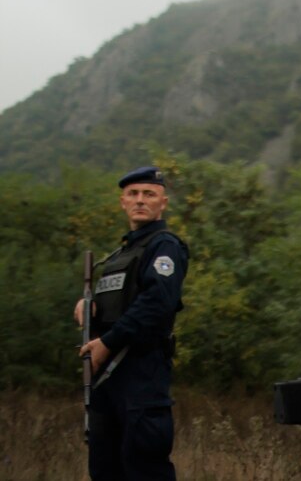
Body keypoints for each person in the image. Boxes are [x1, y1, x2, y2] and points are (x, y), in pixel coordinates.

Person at [75, 166, 189, 481]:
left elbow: (157, 303)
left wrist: (108, 343)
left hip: (142, 375)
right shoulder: (118, 256)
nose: (140, 200)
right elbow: (119, 304)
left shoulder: (164, 246)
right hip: (107, 382)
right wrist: (89, 308)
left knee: (144, 469)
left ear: (163, 203)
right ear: (123, 201)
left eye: (149, 194)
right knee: (106, 469)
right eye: (133, 194)